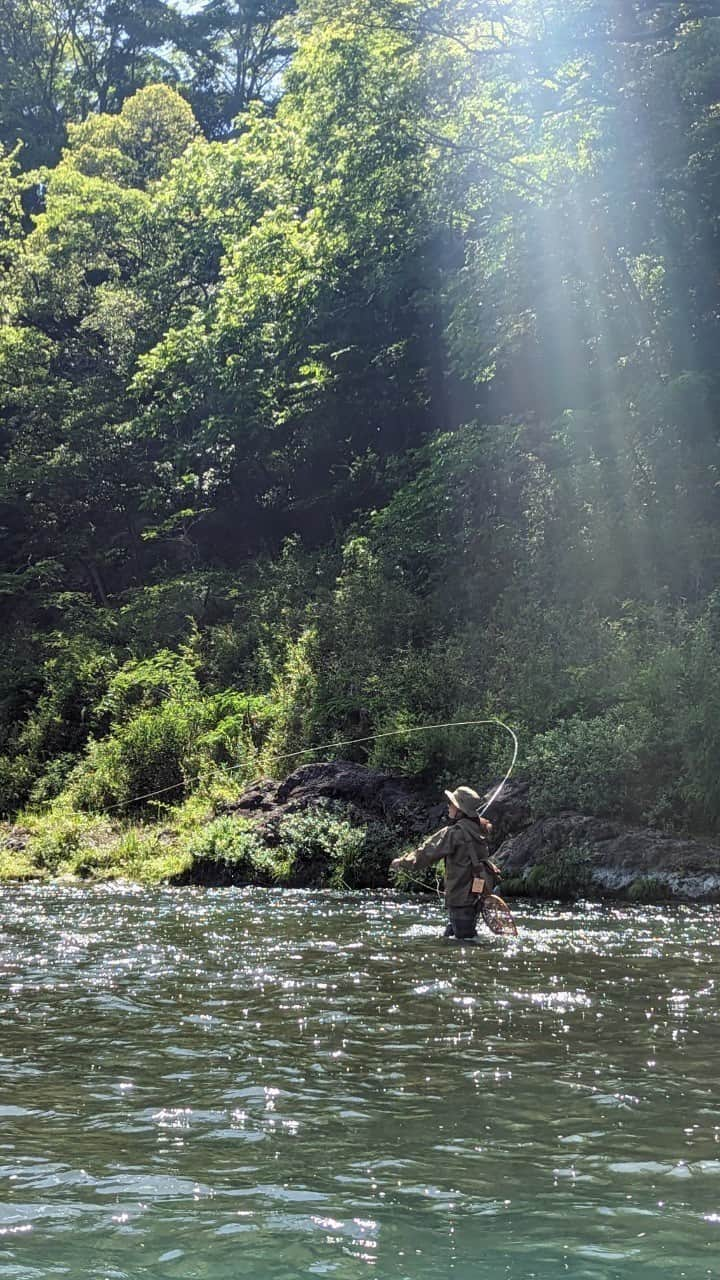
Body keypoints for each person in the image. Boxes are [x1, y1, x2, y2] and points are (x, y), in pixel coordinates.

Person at [390, 785, 501, 941]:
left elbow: (426, 853)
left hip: (461, 900)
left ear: (459, 810)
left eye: (451, 803)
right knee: (456, 937)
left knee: (463, 944)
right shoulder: (479, 830)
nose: (448, 806)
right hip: (476, 897)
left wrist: (401, 862)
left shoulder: (454, 833)